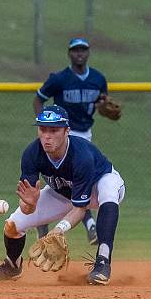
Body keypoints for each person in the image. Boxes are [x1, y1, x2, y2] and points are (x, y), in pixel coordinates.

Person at [0, 105, 125, 285]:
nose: (47, 136)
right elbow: (27, 204)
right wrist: (29, 205)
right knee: (13, 225)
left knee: (108, 192)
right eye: (43, 129)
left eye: (54, 130)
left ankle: (103, 262)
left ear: (67, 131)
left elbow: (80, 209)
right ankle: (12, 265)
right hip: (62, 194)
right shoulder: (32, 154)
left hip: (99, 184)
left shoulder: (82, 156)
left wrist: (58, 229)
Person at [33, 37, 109, 245]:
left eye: (83, 49)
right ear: (69, 53)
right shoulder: (59, 79)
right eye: (75, 50)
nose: (79, 53)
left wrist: (104, 107)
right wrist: (44, 124)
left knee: (79, 182)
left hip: (85, 135)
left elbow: (103, 103)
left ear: (88, 52)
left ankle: (88, 226)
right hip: (61, 135)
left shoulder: (98, 79)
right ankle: (87, 226)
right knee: (53, 180)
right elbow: (38, 98)